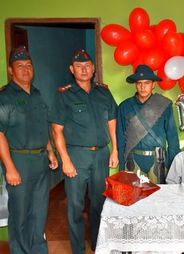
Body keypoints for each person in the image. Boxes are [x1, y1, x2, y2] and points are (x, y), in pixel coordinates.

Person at [49, 49, 118, 254]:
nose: (84, 69)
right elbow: (56, 130)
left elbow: (112, 121)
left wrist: (114, 150)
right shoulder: (64, 95)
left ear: (93, 68)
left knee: (99, 203)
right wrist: (65, 161)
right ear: (72, 70)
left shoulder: (103, 92)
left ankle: (99, 244)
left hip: (101, 156)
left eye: (87, 65)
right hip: (77, 156)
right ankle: (78, 249)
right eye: (79, 66)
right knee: (76, 206)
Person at [0, 46, 58, 254]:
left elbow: (43, 126)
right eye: (20, 66)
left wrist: (50, 151)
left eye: (28, 65)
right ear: (10, 70)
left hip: (40, 159)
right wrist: (10, 168)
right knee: (20, 213)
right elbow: (0, 134)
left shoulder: (37, 93)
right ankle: (20, 251)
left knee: (39, 210)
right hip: (19, 161)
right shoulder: (5, 97)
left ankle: (38, 250)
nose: (25, 70)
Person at [117, 64, 180, 184]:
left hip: (158, 160)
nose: (142, 87)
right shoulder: (125, 107)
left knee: (159, 199)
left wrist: (173, 165)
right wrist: (121, 165)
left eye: (146, 83)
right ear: (135, 84)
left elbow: (172, 137)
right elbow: (120, 139)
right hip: (133, 160)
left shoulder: (164, 105)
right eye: (139, 83)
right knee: (134, 199)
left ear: (153, 84)